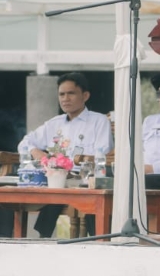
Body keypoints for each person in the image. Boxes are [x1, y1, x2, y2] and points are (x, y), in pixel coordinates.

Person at [17, 72, 113, 238]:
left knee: (81, 191)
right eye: (62, 94)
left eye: (71, 93)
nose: (65, 98)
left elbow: (102, 153)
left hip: (85, 180)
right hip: (57, 180)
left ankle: (99, 238)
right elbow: (25, 143)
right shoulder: (54, 123)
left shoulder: (98, 121)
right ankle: (37, 238)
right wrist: (37, 153)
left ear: (85, 95)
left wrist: (75, 165)